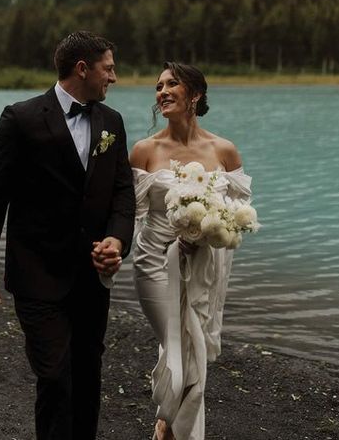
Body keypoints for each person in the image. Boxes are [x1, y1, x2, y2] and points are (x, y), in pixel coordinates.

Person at [0, 31, 136, 440]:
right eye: (108, 68)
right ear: (83, 68)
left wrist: (117, 240)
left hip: (92, 278)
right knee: (56, 375)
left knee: (87, 375)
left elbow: (122, 193)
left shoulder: (111, 122)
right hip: (38, 274)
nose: (113, 78)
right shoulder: (20, 118)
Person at [130, 62, 252, 440]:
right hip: (154, 263)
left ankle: (167, 427)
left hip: (205, 266)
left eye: (172, 84)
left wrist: (208, 233)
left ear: (194, 95)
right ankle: (170, 419)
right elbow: (130, 215)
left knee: (195, 357)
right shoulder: (144, 151)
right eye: (158, 86)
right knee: (177, 352)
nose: (162, 91)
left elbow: (236, 217)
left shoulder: (224, 151)